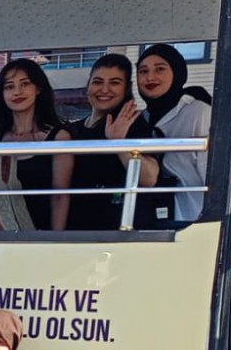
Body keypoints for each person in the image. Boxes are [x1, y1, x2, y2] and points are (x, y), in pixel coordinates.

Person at [64, 54, 168, 231]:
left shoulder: (134, 124)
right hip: (78, 225)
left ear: (127, 88)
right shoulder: (71, 130)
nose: (104, 89)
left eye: (114, 83)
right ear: (88, 86)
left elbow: (149, 178)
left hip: (119, 229)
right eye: (97, 82)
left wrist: (118, 142)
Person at [0, 59, 74, 232]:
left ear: (38, 88)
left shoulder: (59, 137)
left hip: (41, 235)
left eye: (25, 84)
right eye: (9, 86)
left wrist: (56, 239)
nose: (17, 92)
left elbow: (60, 195)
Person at [136, 44, 213, 221]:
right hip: (152, 221)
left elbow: (215, 178)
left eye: (160, 69)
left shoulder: (199, 113)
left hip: (195, 219)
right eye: (143, 71)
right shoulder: (139, 119)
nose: (150, 77)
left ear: (177, 73)